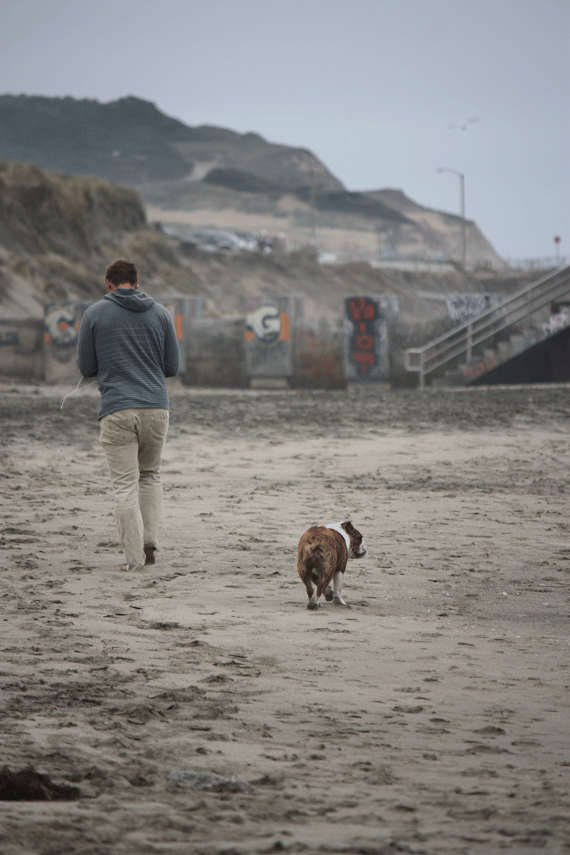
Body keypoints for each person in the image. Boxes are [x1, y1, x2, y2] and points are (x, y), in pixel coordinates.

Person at [77, 258, 180, 571]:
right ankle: (150, 544)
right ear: (136, 283)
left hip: (118, 408)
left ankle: (134, 561)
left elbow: (86, 368)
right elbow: (172, 367)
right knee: (150, 475)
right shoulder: (161, 314)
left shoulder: (94, 314)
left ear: (109, 284)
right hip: (156, 408)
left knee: (125, 487)